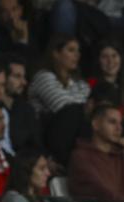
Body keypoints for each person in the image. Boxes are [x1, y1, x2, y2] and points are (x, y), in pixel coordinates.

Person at [28, 35, 91, 166]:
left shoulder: (81, 83)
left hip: (74, 138)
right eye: (71, 50)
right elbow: (65, 108)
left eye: (78, 51)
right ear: (56, 53)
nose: (77, 55)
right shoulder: (43, 77)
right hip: (47, 139)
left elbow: (90, 112)